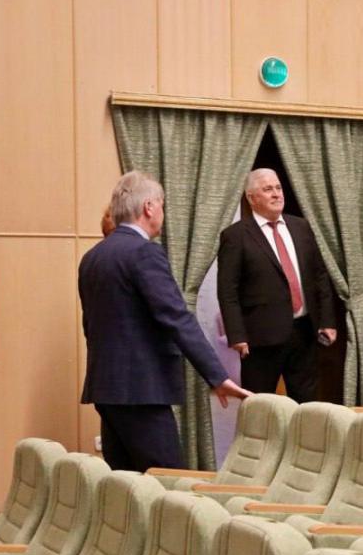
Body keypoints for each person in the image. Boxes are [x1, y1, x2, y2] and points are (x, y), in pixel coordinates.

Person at [79, 171, 249, 473]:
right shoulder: (144, 253)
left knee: (125, 484)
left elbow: (90, 326)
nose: (162, 212)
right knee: (168, 481)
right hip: (141, 389)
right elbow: (176, 317)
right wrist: (217, 376)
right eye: (161, 205)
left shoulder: (93, 257)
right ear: (148, 207)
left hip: (106, 387)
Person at [216, 168, 337, 403]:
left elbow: (320, 276)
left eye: (278, 188)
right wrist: (237, 335)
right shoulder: (236, 235)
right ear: (252, 198)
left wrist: (327, 321)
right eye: (268, 189)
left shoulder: (301, 227)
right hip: (260, 339)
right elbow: (227, 290)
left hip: (304, 332)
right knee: (260, 407)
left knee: (307, 405)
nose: (276, 194)